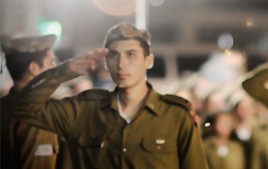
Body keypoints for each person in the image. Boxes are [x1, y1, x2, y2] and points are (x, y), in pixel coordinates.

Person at [10, 22, 207, 168]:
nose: (121, 64)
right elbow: (21, 107)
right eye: (114, 55)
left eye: (131, 55)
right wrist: (64, 71)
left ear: (149, 61)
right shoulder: (83, 111)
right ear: (106, 62)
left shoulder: (175, 117)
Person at [0, 35, 61, 168]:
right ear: (33, 68)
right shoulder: (36, 115)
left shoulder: (3, 105)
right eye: (51, 63)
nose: (55, 68)